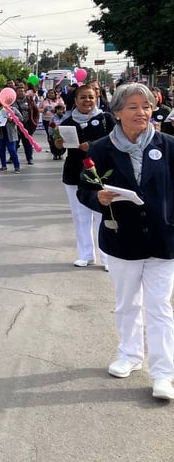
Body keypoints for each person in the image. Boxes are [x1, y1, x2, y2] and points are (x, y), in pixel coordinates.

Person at [77, 83, 174, 401]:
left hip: (163, 240)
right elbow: (85, 190)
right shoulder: (102, 149)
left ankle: (163, 374)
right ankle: (130, 356)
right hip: (122, 240)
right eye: (132, 106)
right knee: (127, 303)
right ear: (117, 112)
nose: (141, 112)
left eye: (146, 106)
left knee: (160, 307)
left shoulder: (167, 145)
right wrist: (99, 198)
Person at [55, 83, 115, 269]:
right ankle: (86, 255)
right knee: (80, 216)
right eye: (83, 97)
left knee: (101, 216)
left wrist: (93, 145)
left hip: (101, 175)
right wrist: (57, 144)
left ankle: (106, 257)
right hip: (74, 175)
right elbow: (57, 148)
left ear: (96, 97)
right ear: (76, 100)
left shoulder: (106, 119)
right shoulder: (67, 123)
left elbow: (115, 142)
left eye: (90, 96)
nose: (87, 100)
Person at [0, 95, 25, 173]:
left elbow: (21, 118)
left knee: (12, 150)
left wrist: (13, 119)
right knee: (1, 150)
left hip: (11, 133)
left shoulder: (13, 109)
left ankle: (17, 166)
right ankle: (3, 166)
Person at [16, 85, 39, 165]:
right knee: (15, 143)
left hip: (27, 125)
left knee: (27, 143)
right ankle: (12, 157)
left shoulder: (29, 100)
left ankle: (29, 158)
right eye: (19, 91)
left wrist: (34, 121)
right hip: (15, 126)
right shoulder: (13, 101)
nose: (21, 93)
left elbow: (36, 111)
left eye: (22, 91)